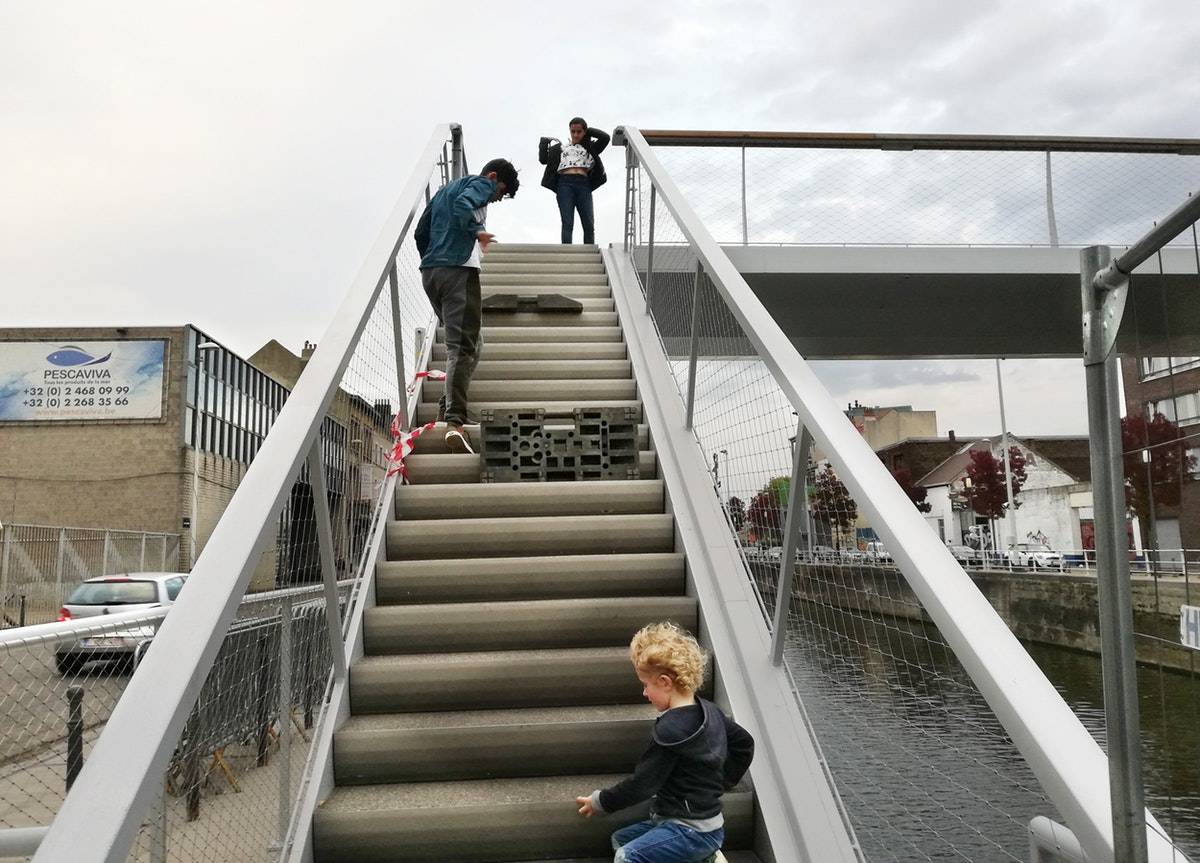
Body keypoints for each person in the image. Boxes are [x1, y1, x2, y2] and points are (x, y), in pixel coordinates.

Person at [575, 622, 754, 863]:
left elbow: (643, 784)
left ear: (665, 682)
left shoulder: (670, 732)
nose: (644, 693)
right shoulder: (710, 711)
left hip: (692, 831)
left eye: (646, 685)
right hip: (693, 825)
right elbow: (744, 743)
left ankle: (704, 856)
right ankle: (706, 859)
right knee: (621, 839)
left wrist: (601, 801)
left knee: (627, 857)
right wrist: (724, 781)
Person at [414, 158, 519, 453]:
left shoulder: (444, 190)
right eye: (500, 193)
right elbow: (464, 206)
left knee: (473, 343)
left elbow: (421, 231)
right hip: (459, 271)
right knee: (461, 348)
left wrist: (433, 257)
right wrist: (477, 231)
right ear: (494, 177)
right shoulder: (480, 184)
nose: (496, 199)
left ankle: (447, 408)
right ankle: (455, 422)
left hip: (431, 273)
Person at [539, 117, 610, 245]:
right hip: (565, 183)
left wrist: (589, 132)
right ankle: (567, 251)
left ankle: (589, 253)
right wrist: (543, 143)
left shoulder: (590, 147)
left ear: (584, 132)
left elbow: (606, 138)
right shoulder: (561, 148)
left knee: (588, 223)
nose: (576, 135)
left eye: (579, 131)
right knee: (567, 222)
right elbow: (543, 159)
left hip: (584, 184)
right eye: (573, 131)